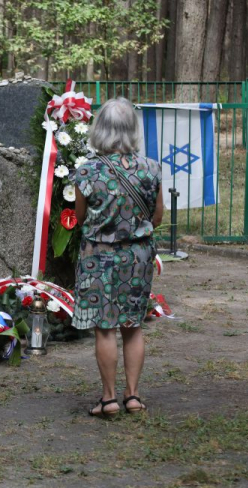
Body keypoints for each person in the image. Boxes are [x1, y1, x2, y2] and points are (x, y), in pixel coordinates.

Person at [70, 97, 164, 417]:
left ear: (100, 129)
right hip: (137, 257)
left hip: (98, 256)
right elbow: (158, 217)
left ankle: (109, 399)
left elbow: (81, 218)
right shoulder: (151, 169)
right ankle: (133, 396)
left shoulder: (86, 171)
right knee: (133, 326)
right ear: (132, 130)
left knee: (105, 328)